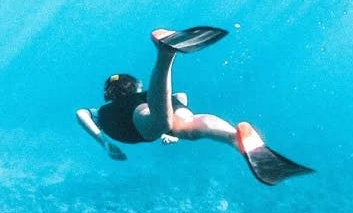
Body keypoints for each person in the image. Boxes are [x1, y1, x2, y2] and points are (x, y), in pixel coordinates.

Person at [75, 27, 314, 185]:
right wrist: (172, 125)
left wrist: (104, 143)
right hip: (156, 103)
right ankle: (233, 137)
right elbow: (181, 96)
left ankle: (166, 54)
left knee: (161, 123)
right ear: (134, 87)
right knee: (189, 126)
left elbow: (81, 113)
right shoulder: (142, 96)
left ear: (109, 94)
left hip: (132, 120)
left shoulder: (105, 110)